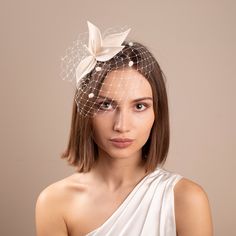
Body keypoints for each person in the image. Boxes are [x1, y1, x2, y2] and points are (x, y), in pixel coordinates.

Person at [35, 21, 213, 236]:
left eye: (139, 106)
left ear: (157, 113)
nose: (122, 126)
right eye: (106, 105)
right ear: (85, 113)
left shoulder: (186, 200)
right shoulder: (55, 202)